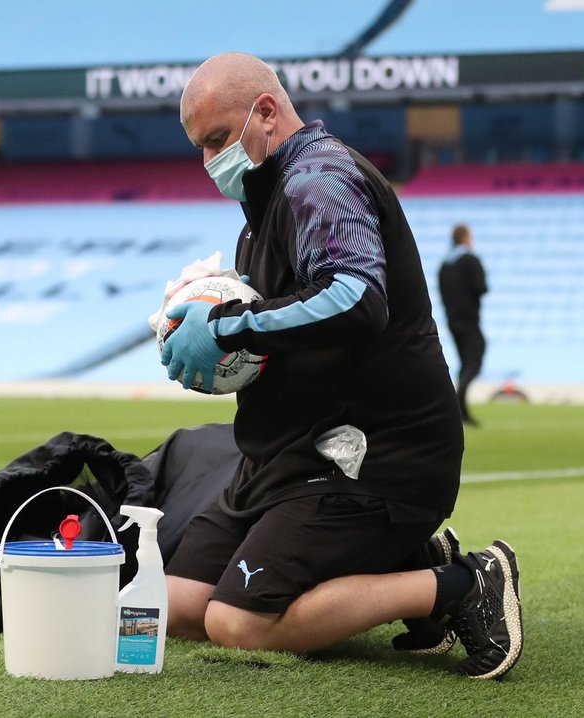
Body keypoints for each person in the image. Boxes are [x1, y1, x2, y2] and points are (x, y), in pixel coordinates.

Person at [159, 52, 522, 679]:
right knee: (176, 604)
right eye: (201, 147)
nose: (209, 161)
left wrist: (225, 328)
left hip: (372, 457)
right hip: (287, 457)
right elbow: (283, 335)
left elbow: (355, 298)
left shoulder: (320, 179)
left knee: (237, 623)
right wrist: (210, 322)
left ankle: (464, 581)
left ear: (266, 112)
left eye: (217, 139)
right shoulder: (262, 210)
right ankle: (406, 557)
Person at [438, 224, 488, 427]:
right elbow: (481, 287)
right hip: (469, 319)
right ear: (465, 238)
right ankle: (458, 404)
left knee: (465, 363)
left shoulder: (445, 264)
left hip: (452, 320)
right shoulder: (470, 260)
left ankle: (463, 411)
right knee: (474, 361)